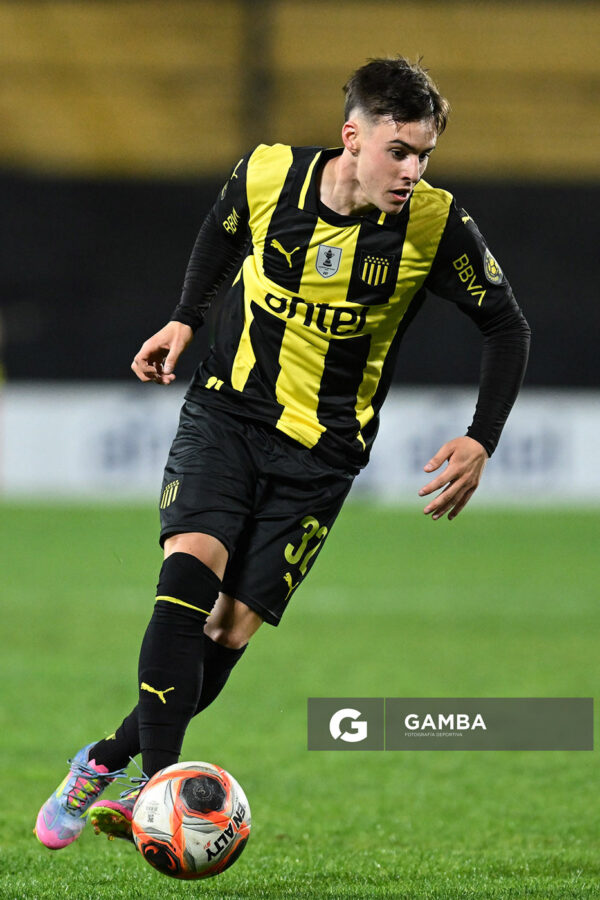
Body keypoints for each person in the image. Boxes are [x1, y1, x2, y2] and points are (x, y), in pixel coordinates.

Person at [35, 56, 530, 849]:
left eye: (424, 154)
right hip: (226, 415)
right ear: (352, 137)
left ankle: (103, 761)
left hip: (322, 458)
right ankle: (157, 788)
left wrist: (482, 437)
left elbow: (507, 326)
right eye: (399, 151)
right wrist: (186, 316)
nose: (412, 170)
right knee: (187, 578)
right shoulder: (269, 174)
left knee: (227, 633)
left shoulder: (435, 226)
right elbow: (222, 230)